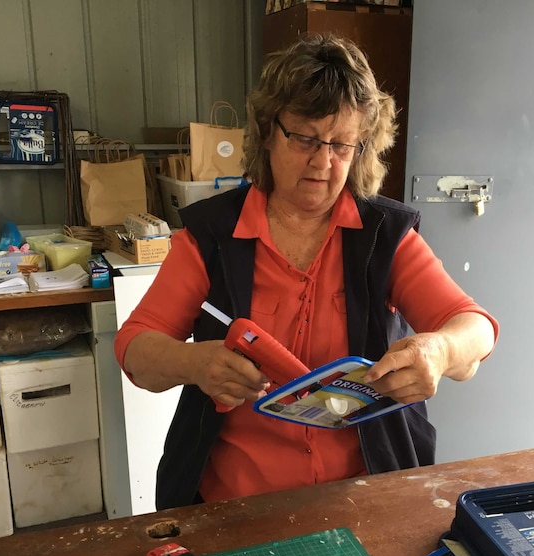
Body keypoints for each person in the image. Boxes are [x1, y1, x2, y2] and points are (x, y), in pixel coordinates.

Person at [114, 33, 499, 511]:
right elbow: (135, 349)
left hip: (365, 494)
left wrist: (440, 350)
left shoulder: (384, 236)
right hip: (235, 504)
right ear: (267, 131)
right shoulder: (211, 236)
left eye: (342, 144)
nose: (323, 162)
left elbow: (475, 329)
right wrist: (195, 364)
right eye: (305, 138)